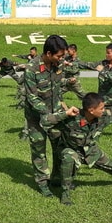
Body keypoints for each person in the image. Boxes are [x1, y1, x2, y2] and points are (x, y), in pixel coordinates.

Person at [43, 93, 112, 205]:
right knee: (69, 157)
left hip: (91, 151)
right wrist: (65, 114)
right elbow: (45, 121)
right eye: (101, 108)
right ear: (91, 110)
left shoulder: (103, 117)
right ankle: (65, 193)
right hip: (71, 150)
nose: (104, 110)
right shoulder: (71, 118)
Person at [23, 34, 69, 197]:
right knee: (39, 150)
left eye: (63, 55)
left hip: (56, 114)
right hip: (37, 118)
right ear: (48, 54)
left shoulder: (59, 64)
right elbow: (32, 97)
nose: (62, 58)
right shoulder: (31, 68)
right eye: (59, 55)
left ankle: (56, 178)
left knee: (59, 147)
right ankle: (42, 183)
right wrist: (50, 115)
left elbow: (58, 88)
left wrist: (62, 108)